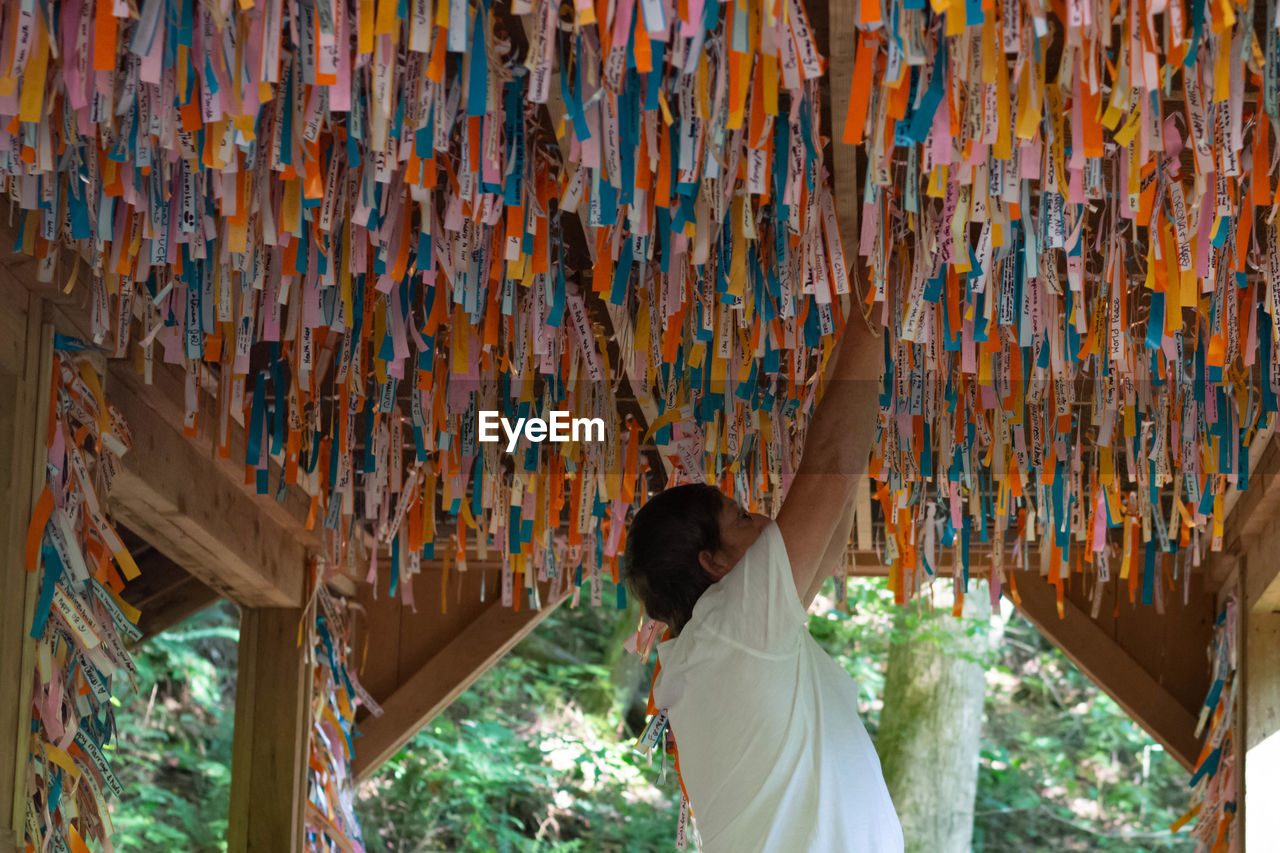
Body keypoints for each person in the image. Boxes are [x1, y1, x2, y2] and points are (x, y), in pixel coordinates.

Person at [623, 308, 903, 852]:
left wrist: (869, 323)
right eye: (744, 519)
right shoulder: (732, 634)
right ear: (714, 563)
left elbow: (837, 487)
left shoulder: (728, 641)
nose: (770, 522)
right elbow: (833, 463)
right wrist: (871, 312)